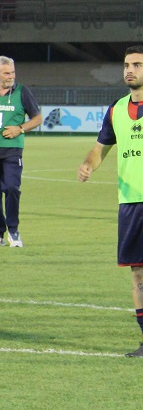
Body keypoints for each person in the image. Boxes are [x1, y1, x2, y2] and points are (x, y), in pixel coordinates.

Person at [77, 46, 143, 358]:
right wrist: (88, 164)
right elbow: (100, 149)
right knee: (138, 274)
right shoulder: (116, 109)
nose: (130, 70)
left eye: (137, 65)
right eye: (127, 65)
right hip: (130, 203)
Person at [0, 56, 42, 247]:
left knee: (12, 188)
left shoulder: (22, 91)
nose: (11, 76)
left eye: (13, 72)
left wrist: (20, 129)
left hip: (12, 151)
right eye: (6, 73)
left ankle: (13, 231)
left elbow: (37, 118)